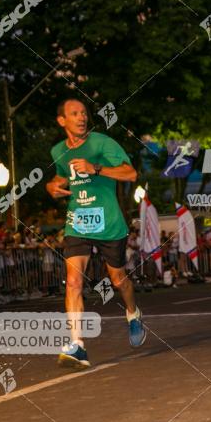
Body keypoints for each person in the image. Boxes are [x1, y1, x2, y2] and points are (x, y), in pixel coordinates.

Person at [46, 98, 144, 369]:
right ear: (62, 121)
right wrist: (53, 186)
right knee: (74, 282)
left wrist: (96, 168)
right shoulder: (58, 151)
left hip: (109, 222)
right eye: (74, 114)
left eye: (84, 113)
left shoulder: (103, 143)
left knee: (118, 280)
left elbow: (131, 173)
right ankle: (78, 345)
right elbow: (62, 176)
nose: (81, 117)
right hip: (78, 221)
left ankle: (133, 313)